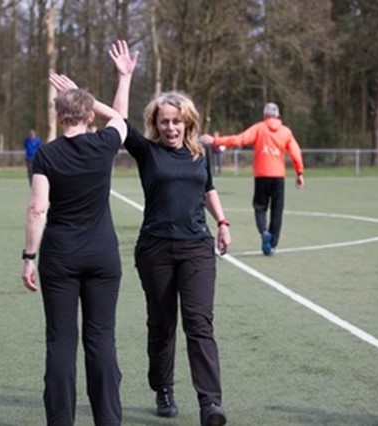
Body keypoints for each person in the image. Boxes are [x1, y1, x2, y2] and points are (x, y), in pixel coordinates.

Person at [109, 40, 230, 426]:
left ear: (187, 121)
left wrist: (223, 223)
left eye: (177, 121)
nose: (171, 127)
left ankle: (210, 403)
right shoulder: (147, 151)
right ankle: (163, 388)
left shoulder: (199, 153)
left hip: (197, 246)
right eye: (164, 121)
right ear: (156, 124)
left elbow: (207, 188)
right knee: (161, 323)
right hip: (156, 249)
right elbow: (117, 121)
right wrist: (125, 77)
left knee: (199, 323)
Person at [21, 73, 128, 426]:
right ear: (89, 116)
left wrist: (29, 257)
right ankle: (109, 420)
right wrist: (119, 80)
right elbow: (120, 119)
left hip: (60, 257)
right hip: (102, 256)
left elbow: (38, 209)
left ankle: (61, 420)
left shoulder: (46, 155)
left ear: (58, 116)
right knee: (101, 340)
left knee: (61, 342)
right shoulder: (103, 145)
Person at [200, 102, 304, 256]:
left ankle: (264, 233)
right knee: (277, 210)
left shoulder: (259, 128)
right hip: (278, 177)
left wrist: (216, 141)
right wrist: (299, 172)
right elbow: (295, 152)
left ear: (265, 115)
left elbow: (239, 139)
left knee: (260, 207)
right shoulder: (286, 132)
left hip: (262, 175)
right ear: (278, 116)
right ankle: (273, 244)